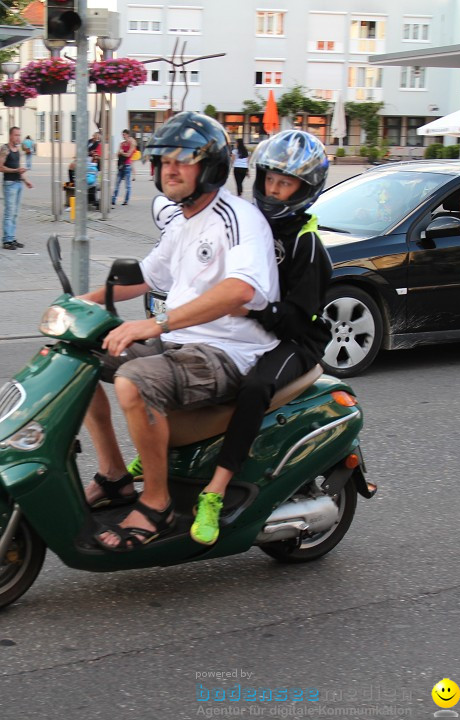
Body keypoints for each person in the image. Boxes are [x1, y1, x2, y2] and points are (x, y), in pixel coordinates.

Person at [78, 111, 280, 552]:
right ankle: (114, 477)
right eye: (163, 159)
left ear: (209, 167)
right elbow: (149, 275)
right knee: (78, 358)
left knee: (134, 383)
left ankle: (156, 502)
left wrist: (156, 322)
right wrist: (85, 302)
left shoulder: (237, 218)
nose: (170, 168)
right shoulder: (184, 220)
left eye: (183, 159)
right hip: (182, 341)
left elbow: (240, 289)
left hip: (228, 351)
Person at [189, 130, 333, 544]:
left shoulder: (306, 246)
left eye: (284, 184)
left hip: (297, 341)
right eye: (270, 179)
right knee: (190, 361)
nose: (273, 190)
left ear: (304, 189)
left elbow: (295, 320)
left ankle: (215, 492)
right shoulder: (253, 227)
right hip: (257, 326)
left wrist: (253, 309)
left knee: (253, 387)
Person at [0, 126, 33, 250]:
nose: (18, 138)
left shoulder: (18, 150)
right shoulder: (5, 149)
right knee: (9, 212)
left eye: (19, 135)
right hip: (9, 184)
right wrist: (15, 170)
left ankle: (12, 237)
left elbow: (19, 168)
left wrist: (26, 180)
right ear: (11, 136)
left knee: (15, 213)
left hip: (18, 183)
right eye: (16, 135)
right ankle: (7, 240)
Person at [112, 129, 137, 206]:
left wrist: (121, 152)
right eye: (122, 134)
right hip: (121, 166)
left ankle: (126, 200)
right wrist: (121, 152)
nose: (123, 136)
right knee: (117, 184)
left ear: (128, 135)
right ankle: (113, 200)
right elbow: (117, 154)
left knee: (127, 185)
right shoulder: (122, 143)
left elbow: (128, 155)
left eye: (124, 134)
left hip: (127, 165)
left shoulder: (131, 143)